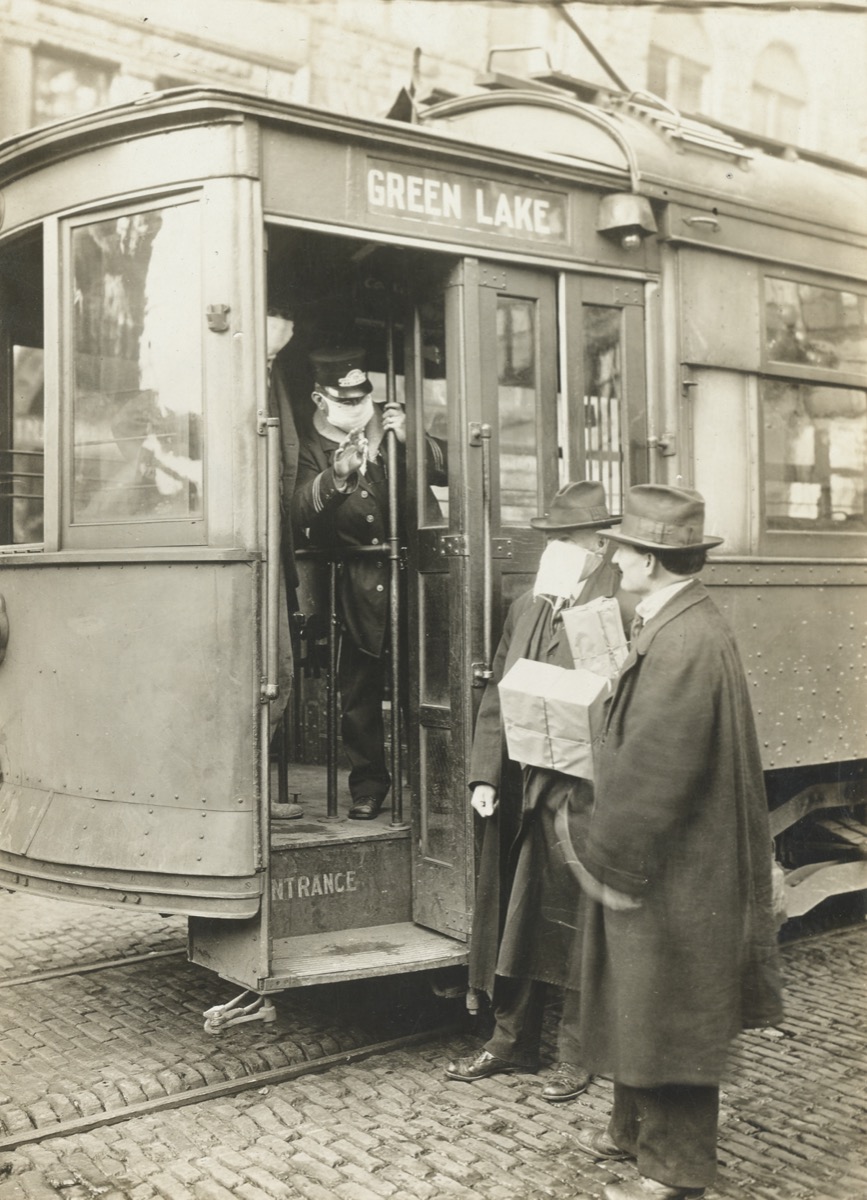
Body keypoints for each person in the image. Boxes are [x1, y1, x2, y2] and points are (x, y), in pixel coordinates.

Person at [567, 484, 784, 1200]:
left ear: (652, 561)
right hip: (675, 863)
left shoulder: (682, 636)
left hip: (671, 870)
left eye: (622, 546)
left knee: (671, 1015)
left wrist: (605, 849)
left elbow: (658, 766)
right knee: (647, 1003)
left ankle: (671, 1175)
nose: (614, 555)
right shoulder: (680, 619)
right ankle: (634, 1135)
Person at [445, 481, 623, 1101]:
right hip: (524, 788)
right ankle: (509, 1042)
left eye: (565, 539)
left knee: (577, 918)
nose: (552, 548)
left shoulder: (618, 606)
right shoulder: (527, 606)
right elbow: (497, 691)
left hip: (585, 791)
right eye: (551, 538)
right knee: (517, 916)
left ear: (598, 544)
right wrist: (485, 774)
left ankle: (580, 1052)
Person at [290, 345, 447, 820]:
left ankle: (431, 782)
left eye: (363, 400)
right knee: (359, 694)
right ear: (321, 400)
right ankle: (369, 785)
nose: (359, 409)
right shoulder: (312, 446)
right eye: (347, 402)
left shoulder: (392, 425)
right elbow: (298, 511)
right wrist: (337, 476)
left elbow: (450, 471)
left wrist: (412, 440)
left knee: (425, 686)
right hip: (356, 583)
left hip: (417, 579)